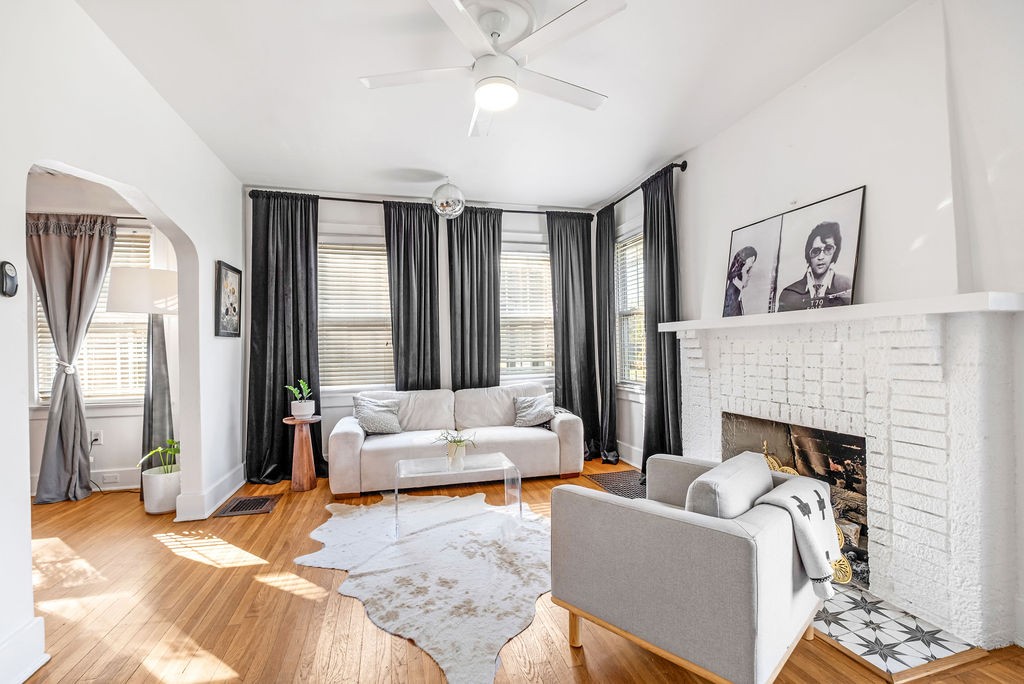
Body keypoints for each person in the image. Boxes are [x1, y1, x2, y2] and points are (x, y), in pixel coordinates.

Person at [777, 221, 852, 311]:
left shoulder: (847, 288)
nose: (821, 257)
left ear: (835, 251)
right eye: (815, 251)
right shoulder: (788, 295)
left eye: (828, 249)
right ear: (808, 254)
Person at [722, 245, 757, 316]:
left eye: (753, 261)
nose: (752, 264)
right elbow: (743, 285)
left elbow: (744, 285)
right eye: (751, 260)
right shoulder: (736, 278)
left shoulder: (744, 273)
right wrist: (744, 270)